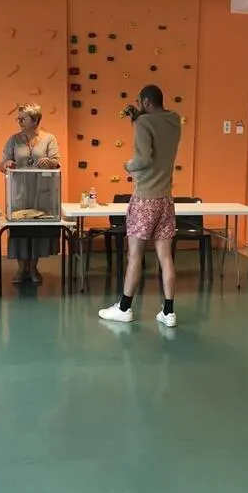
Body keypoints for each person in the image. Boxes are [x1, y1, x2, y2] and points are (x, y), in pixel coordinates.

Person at [98, 84, 181, 328]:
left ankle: (124, 308)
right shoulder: (174, 120)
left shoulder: (144, 123)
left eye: (139, 102)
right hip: (165, 198)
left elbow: (144, 159)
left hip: (145, 198)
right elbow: (159, 131)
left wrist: (128, 165)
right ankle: (169, 312)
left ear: (145, 102)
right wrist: (138, 116)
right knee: (165, 256)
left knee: (135, 255)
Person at [0, 103, 61, 284]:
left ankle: (33, 268)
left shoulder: (49, 139)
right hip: (19, 192)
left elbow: (56, 162)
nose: (19, 121)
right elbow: (1, 164)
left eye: (23, 118)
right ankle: (21, 268)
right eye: (18, 118)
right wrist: (6, 164)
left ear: (35, 120)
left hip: (42, 192)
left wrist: (49, 162)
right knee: (20, 230)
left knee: (37, 230)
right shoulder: (13, 140)